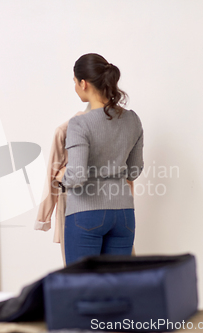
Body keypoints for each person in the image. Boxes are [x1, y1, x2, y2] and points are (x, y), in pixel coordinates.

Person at [55, 53, 144, 265]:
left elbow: (75, 177)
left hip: (85, 214)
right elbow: (134, 171)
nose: (75, 87)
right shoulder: (132, 119)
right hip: (123, 214)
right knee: (116, 284)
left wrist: (61, 177)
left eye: (75, 82)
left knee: (81, 285)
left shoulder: (79, 124)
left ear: (83, 83)